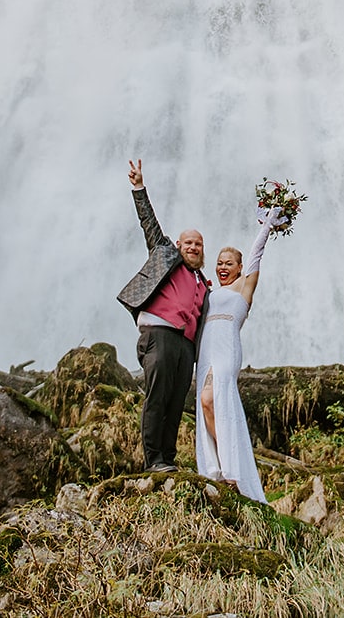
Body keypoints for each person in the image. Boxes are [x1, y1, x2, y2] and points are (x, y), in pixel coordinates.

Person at [117, 159, 209, 472]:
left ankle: (167, 459)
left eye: (198, 243)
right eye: (188, 242)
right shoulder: (165, 257)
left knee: (175, 402)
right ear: (178, 245)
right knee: (157, 397)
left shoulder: (203, 284)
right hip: (159, 336)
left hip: (185, 345)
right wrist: (139, 187)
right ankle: (153, 459)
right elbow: (149, 224)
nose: (193, 247)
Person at [193, 204, 284, 502]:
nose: (222, 267)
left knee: (214, 399)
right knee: (206, 404)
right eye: (219, 262)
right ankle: (220, 466)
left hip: (226, 349)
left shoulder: (243, 287)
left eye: (228, 263)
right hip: (205, 350)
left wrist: (267, 227)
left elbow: (256, 255)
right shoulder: (208, 291)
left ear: (238, 267)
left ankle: (234, 467)